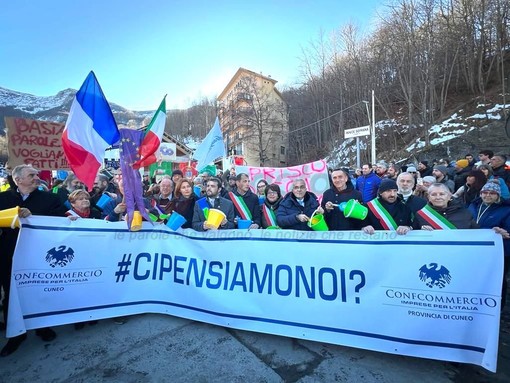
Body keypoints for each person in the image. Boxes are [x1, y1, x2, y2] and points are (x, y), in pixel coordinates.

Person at [0, 164, 68, 357]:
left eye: (37, 175)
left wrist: (35, 217)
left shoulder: (50, 199)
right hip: (9, 255)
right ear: (17, 179)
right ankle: (16, 334)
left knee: (41, 290)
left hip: (40, 256)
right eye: (31, 175)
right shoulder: (3, 199)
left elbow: (62, 221)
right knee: (12, 294)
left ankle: (42, 327)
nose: (36, 177)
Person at [468, 181, 510, 307]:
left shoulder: (506, 209)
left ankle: (498, 307)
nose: (488, 195)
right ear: (481, 193)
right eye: (485, 192)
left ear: (498, 195)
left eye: (492, 193)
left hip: (500, 251)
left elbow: (508, 231)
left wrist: (504, 232)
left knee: (497, 279)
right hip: (475, 250)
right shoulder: (473, 205)